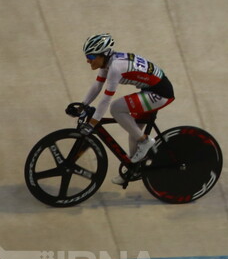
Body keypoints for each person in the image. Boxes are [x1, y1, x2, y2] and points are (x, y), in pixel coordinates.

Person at [75, 33, 175, 164]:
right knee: (133, 130)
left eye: (91, 56)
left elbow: (106, 99)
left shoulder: (116, 67)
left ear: (103, 54)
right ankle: (133, 168)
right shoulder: (108, 62)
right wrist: (82, 105)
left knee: (116, 108)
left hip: (161, 93)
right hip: (151, 89)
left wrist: (92, 124)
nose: (88, 60)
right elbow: (97, 85)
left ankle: (145, 141)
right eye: (87, 56)